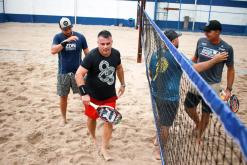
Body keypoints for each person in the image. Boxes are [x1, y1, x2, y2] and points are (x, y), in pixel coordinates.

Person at [149, 30, 229, 160]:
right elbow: (196, 68)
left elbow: (151, 73)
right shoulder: (177, 56)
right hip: (170, 98)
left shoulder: (155, 54)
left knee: (160, 116)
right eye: (177, 38)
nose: (178, 40)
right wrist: (215, 60)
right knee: (166, 126)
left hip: (156, 93)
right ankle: (159, 150)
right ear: (173, 41)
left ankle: (156, 138)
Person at [75, 30, 125, 161]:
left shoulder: (116, 53)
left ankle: (103, 147)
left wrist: (123, 84)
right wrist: (84, 93)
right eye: (102, 44)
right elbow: (78, 74)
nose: (105, 46)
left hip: (109, 96)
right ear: (98, 43)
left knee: (109, 121)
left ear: (112, 42)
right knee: (92, 118)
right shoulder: (91, 56)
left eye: (108, 43)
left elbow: (119, 68)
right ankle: (92, 137)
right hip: (92, 96)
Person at [184, 20, 235, 143]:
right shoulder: (201, 41)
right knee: (188, 107)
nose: (206, 33)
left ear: (218, 32)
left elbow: (231, 69)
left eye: (209, 31)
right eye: (205, 31)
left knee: (206, 114)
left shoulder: (227, 48)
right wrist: (187, 67)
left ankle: (199, 136)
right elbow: (195, 59)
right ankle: (198, 123)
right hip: (197, 81)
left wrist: (228, 89)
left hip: (212, 86)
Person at [51, 17, 89, 125]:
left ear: (71, 26)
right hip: (63, 73)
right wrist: (65, 42)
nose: (67, 31)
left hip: (78, 73)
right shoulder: (58, 37)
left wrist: (90, 67)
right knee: (63, 97)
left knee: (84, 95)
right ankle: (63, 118)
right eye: (65, 29)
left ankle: (89, 116)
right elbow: (53, 51)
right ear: (61, 28)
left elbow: (87, 54)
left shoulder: (80, 37)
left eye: (69, 28)